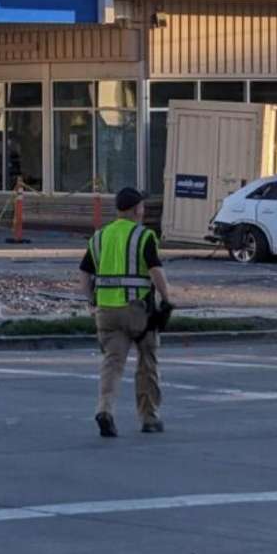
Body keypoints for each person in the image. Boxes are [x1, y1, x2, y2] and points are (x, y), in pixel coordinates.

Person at [78, 187, 171, 438]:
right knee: (147, 362)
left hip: (106, 312)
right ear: (136, 210)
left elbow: (85, 274)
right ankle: (149, 418)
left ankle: (105, 410)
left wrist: (90, 301)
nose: (144, 210)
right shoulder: (144, 236)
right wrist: (168, 298)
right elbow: (155, 271)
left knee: (112, 363)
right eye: (142, 206)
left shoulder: (99, 237)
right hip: (137, 311)